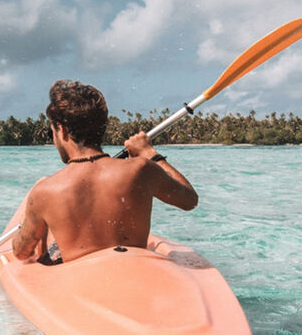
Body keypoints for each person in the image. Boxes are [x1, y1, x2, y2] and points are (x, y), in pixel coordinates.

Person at [12, 80, 198, 265]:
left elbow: (21, 252)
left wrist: (31, 221)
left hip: (78, 284)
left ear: (62, 130)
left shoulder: (45, 191)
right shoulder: (141, 169)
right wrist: (150, 154)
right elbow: (189, 200)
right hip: (135, 274)